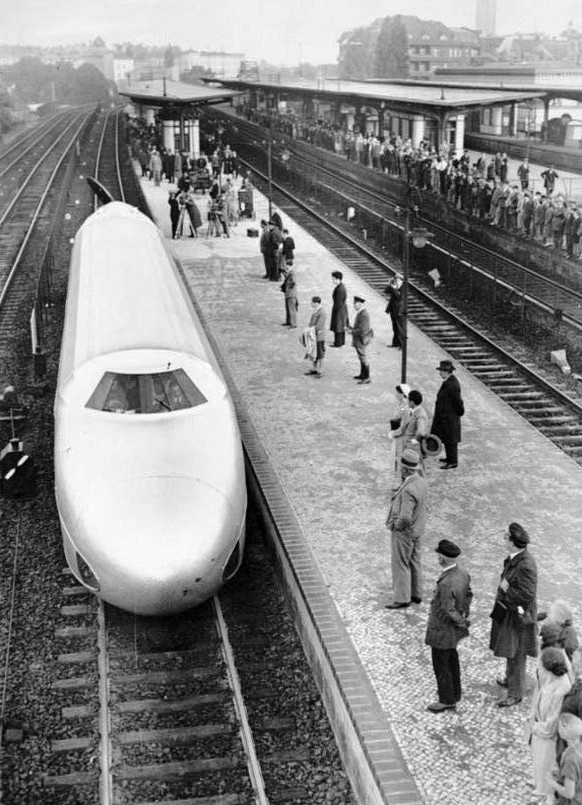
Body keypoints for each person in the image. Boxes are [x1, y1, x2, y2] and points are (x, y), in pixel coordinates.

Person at [490, 522, 538, 707]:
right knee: (510, 649)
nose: (503, 539)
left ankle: (515, 693)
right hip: (510, 611)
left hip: (518, 615)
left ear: (512, 542)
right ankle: (510, 679)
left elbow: (526, 595)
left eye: (505, 537)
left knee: (517, 653)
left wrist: (505, 590)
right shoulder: (516, 558)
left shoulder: (525, 565)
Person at [425, 539, 472, 713]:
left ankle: (446, 699)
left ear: (443, 558)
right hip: (452, 631)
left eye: (438, 554)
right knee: (452, 660)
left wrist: (461, 620)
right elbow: (468, 594)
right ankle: (455, 692)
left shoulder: (445, 582)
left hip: (441, 630)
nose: (437, 557)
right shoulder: (463, 573)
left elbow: (447, 609)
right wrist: (465, 613)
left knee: (441, 664)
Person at [384, 448, 428, 610]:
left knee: (400, 563)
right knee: (415, 560)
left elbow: (405, 517)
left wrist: (396, 525)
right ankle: (416, 593)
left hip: (405, 532)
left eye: (401, 466)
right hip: (417, 530)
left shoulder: (409, 490)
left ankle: (402, 598)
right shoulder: (421, 482)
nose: (399, 468)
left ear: (406, 469)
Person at [527, 647, 572, 800]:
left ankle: (544, 791)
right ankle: (537, 781)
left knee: (545, 762)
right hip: (539, 725)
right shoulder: (549, 679)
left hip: (547, 733)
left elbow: (553, 721)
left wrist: (538, 727)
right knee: (537, 758)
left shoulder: (562, 688)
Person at [431, 359, 464, 470]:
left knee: (451, 440)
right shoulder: (449, 381)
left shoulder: (452, 385)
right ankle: (449, 458)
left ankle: (453, 461)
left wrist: (459, 412)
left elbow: (458, 402)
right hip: (446, 417)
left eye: (441, 371)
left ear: (446, 371)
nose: (440, 373)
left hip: (450, 417)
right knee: (447, 437)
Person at [547, 713, 582, 804]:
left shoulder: (571, 758)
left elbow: (569, 793)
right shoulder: (578, 747)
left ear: (564, 728)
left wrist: (552, 782)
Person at [351, 296, 373, 385]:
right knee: (361, 356)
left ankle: (367, 377)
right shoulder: (361, 313)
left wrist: (351, 331)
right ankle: (362, 374)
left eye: (355, 304)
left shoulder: (364, 315)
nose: (354, 306)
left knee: (363, 357)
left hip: (361, 339)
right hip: (359, 339)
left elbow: (362, 329)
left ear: (360, 304)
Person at [304, 296, 326, 378]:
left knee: (320, 354)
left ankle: (321, 370)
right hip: (313, 336)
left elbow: (319, 326)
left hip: (318, 336)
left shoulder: (321, 312)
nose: (311, 304)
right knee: (314, 353)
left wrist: (310, 331)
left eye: (312, 302)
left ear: (316, 303)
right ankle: (314, 368)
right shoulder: (316, 311)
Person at [330, 271, 349, 347]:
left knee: (338, 326)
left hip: (339, 309)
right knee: (341, 326)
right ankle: (341, 342)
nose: (333, 281)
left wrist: (335, 310)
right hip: (342, 309)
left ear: (338, 279)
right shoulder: (340, 287)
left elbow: (338, 302)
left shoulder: (340, 289)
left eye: (334, 279)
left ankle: (337, 343)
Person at [384, 276, 404, 348]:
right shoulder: (394, 287)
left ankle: (402, 345)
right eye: (396, 280)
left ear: (402, 281)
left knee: (400, 328)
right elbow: (385, 291)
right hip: (392, 310)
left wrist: (394, 289)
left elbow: (399, 298)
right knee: (394, 327)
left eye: (398, 280)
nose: (397, 282)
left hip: (399, 311)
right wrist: (390, 284)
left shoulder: (404, 288)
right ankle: (395, 343)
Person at [280, 262, 298, 328]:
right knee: (288, 308)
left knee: (292, 309)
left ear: (291, 266)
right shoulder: (290, 272)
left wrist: (287, 284)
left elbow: (293, 282)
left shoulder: (292, 273)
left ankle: (293, 324)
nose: (286, 267)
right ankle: (288, 321)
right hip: (288, 293)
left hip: (291, 294)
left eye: (288, 266)